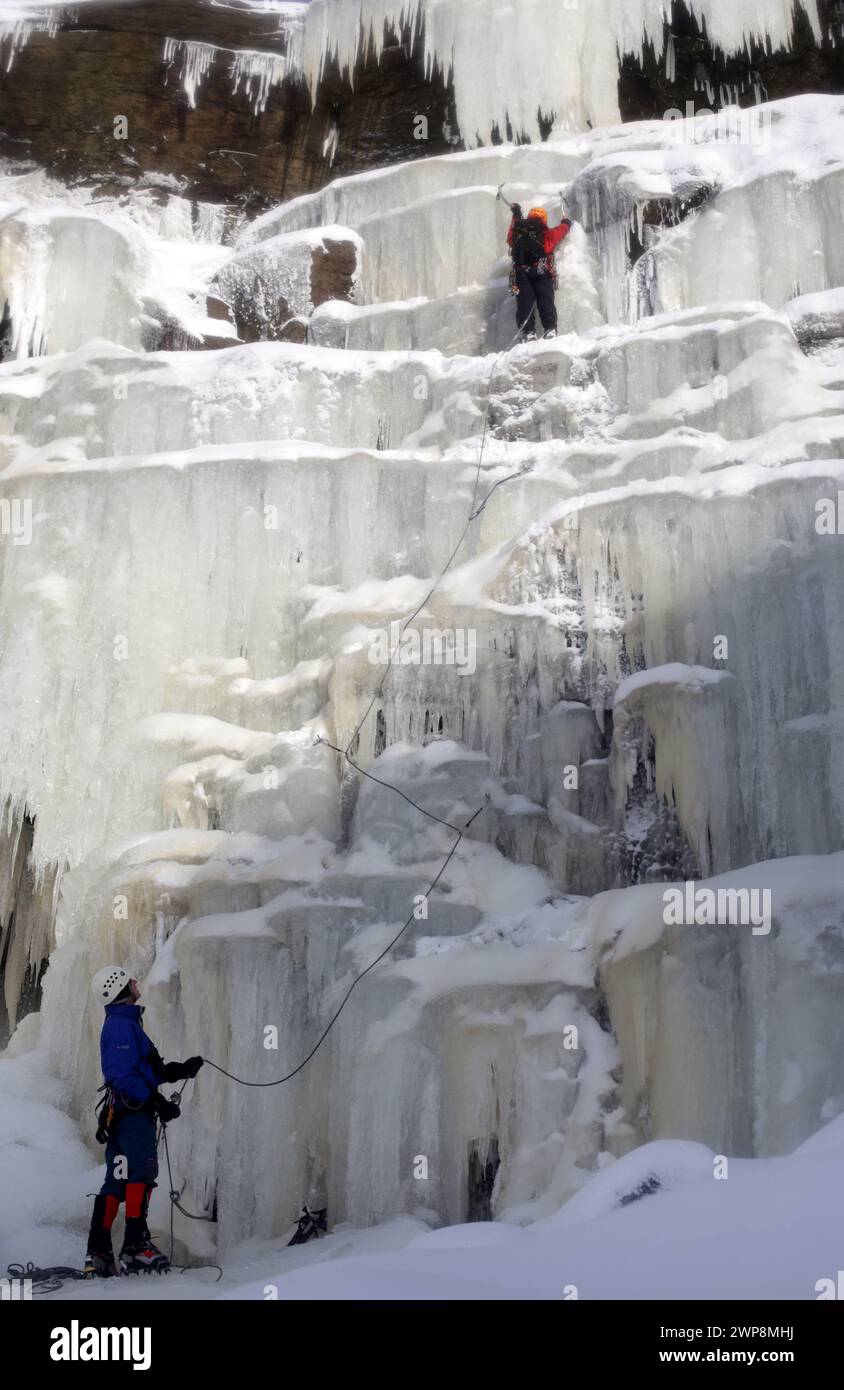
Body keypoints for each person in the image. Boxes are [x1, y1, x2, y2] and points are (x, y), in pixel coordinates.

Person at [85, 967, 203, 1276]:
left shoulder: (125, 1024)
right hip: (133, 1116)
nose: (137, 982)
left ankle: (98, 1252)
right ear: (122, 988)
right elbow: (123, 1075)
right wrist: (156, 1102)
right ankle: (135, 1247)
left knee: (118, 1178)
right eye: (131, 980)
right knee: (143, 1169)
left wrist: (181, 1070)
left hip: (119, 1116)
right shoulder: (122, 1026)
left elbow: (145, 1068)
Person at [507, 203, 572, 341]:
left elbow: (509, 238)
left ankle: (528, 332)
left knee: (525, 302)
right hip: (542, 270)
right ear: (543, 219)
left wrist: (516, 215)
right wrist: (566, 223)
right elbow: (561, 231)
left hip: (521, 273)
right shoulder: (547, 233)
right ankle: (550, 328)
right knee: (545, 299)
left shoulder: (518, 230)